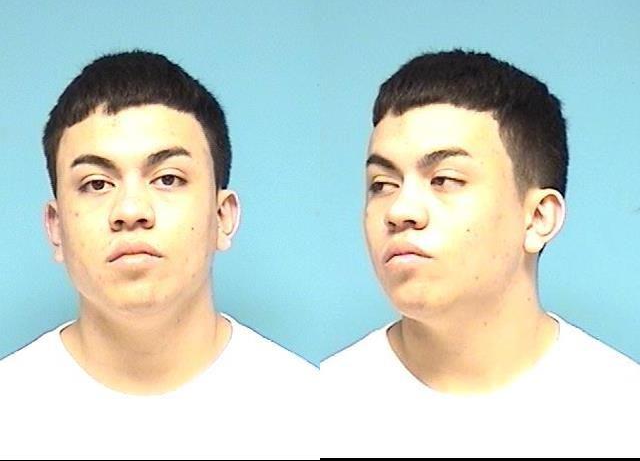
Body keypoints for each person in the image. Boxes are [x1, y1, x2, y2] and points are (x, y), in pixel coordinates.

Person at [322, 49, 640, 457]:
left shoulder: (623, 414)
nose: (400, 210)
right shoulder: (319, 407)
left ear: (538, 218)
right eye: (382, 184)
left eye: (444, 179)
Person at [0, 50, 316, 460]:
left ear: (222, 217)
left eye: (168, 179)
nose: (131, 210)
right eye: (96, 184)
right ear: (56, 227)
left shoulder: (312, 414)